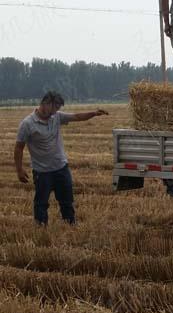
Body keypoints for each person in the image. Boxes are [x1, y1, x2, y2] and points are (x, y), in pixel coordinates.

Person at [14, 91, 109, 226]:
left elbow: (77, 116)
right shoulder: (27, 124)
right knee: (41, 203)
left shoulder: (56, 117)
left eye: (58, 108)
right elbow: (18, 148)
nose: (56, 111)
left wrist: (94, 113)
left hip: (61, 169)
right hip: (42, 172)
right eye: (55, 107)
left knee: (67, 201)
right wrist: (19, 170)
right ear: (46, 104)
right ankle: (41, 228)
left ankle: (70, 225)